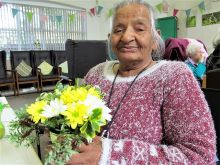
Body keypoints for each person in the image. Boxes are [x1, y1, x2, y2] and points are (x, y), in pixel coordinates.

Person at [68, 0, 216, 164]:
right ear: (110, 39)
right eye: (118, 30)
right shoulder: (95, 74)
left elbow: (200, 155)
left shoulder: (174, 76)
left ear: (155, 38)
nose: (126, 37)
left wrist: (109, 154)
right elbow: (74, 125)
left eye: (139, 29)